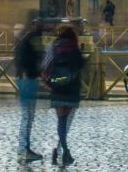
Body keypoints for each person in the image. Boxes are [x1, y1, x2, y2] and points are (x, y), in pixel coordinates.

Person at [43, 21, 87, 164]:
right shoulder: (74, 48)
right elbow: (81, 65)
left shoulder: (54, 48)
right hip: (72, 88)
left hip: (58, 87)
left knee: (61, 121)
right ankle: (63, 151)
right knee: (66, 121)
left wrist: (50, 83)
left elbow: (45, 65)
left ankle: (61, 150)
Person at [13, 20, 49, 159]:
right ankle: (24, 149)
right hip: (28, 80)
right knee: (27, 116)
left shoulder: (26, 39)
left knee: (28, 116)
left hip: (26, 79)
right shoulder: (31, 41)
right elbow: (30, 61)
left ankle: (24, 147)